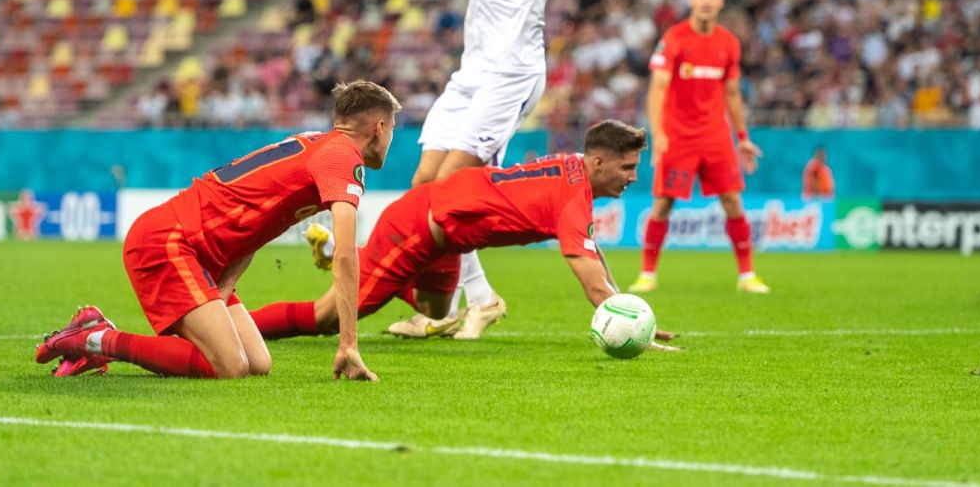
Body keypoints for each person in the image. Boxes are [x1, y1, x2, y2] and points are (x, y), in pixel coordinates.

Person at [309, 0, 690, 341]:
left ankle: (460, 303)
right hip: (472, 71)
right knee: (425, 187)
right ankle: (471, 299)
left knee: (449, 191)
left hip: (514, 71)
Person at [250, 120, 680, 378]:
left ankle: (360, 260)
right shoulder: (573, 200)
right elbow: (593, 285)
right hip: (419, 228)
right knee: (329, 317)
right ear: (599, 163)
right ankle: (240, 327)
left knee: (437, 312)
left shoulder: (573, 168)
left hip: (448, 239)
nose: (633, 177)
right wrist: (631, 323)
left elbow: (592, 252)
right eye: (628, 167)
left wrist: (627, 304)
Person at [33, 80, 400, 380]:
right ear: (379, 128)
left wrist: (223, 289)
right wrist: (348, 343)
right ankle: (94, 339)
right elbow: (346, 255)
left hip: (200, 253)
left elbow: (258, 227)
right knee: (229, 366)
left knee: (258, 363)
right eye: (392, 130)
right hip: (169, 241)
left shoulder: (318, 144)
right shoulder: (342, 159)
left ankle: (97, 333)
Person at [628, 0, 768, 294]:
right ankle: (647, 274)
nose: (705, 1)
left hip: (716, 136)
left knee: (732, 201)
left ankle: (747, 275)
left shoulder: (729, 43)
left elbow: (732, 94)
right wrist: (658, 134)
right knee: (663, 203)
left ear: (720, 1)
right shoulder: (674, 38)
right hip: (679, 136)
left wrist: (743, 137)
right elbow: (658, 88)